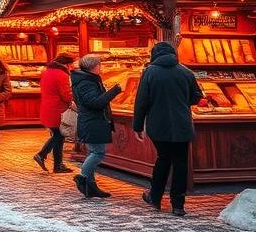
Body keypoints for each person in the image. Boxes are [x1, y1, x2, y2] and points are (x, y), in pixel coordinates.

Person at [134, 41, 202, 216]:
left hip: (158, 125)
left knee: (163, 158)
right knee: (180, 162)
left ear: (154, 55)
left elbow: (141, 101)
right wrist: (180, 100)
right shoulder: (186, 71)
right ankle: (178, 205)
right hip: (182, 125)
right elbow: (196, 97)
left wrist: (137, 125)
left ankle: (155, 197)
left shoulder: (149, 72)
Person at [71, 54, 122, 198]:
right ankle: (82, 177)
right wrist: (114, 90)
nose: (101, 67)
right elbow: (95, 103)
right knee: (97, 153)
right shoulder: (86, 82)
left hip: (92, 121)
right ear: (94, 66)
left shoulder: (86, 79)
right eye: (100, 64)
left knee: (93, 152)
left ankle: (91, 187)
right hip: (92, 122)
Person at [34, 53, 76, 173]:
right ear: (66, 64)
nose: (71, 67)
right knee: (59, 135)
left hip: (48, 108)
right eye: (71, 64)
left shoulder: (47, 72)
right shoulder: (61, 75)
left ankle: (58, 165)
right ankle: (42, 155)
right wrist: (74, 97)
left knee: (58, 136)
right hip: (57, 110)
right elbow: (66, 95)